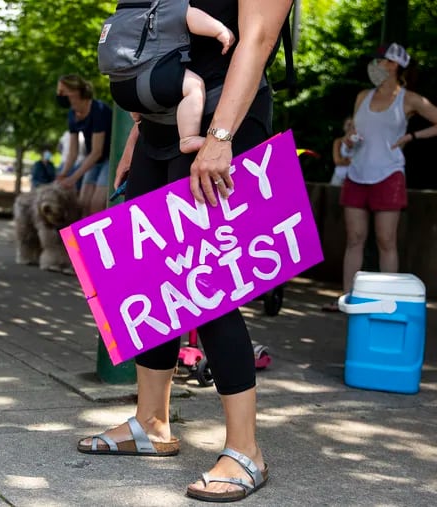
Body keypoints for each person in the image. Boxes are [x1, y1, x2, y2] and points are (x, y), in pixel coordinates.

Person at [76, 1, 294, 502]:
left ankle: (246, 450)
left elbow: (257, 40)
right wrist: (137, 132)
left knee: (209, 286)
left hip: (222, 119)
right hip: (161, 123)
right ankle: (151, 424)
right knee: (153, 280)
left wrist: (221, 138)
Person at [324, 42, 437, 312]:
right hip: (357, 173)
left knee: (386, 240)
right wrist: (349, 138)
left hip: (389, 175)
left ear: (393, 65)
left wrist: (412, 136)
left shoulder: (409, 99)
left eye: (379, 61)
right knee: (355, 238)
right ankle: (347, 298)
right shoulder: (363, 96)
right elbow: (357, 133)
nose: (374, 66)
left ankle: (389, 301)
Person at [101, 1, 234, 153]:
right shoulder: (168, 5)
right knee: (194, 86)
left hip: (120, 90)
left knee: (140, 75)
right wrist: (220, 31)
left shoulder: (126, 9)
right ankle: (188, 138)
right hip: (149, 84)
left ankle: (138, 111)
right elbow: (193, 18)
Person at [54, 75, 112, 217]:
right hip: (94, 159)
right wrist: (63, 174)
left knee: (97, 204)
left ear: (75, 91)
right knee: (83, 204)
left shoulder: (98, 110)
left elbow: (97, 151)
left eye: (63, 91)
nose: (59, 95)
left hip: (110, 158)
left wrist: (73, 178)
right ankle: (84, 239)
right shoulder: (72, 114)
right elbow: (73, 152)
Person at [329, 116, 353, 186]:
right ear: (344, 126)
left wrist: (345, 160)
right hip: (339, 176)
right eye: (348, 124)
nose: (350, 127)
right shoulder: (338, 141)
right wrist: (352, 160)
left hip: (354, 178)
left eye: (352, 125)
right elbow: (337, 161)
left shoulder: (360, 142)